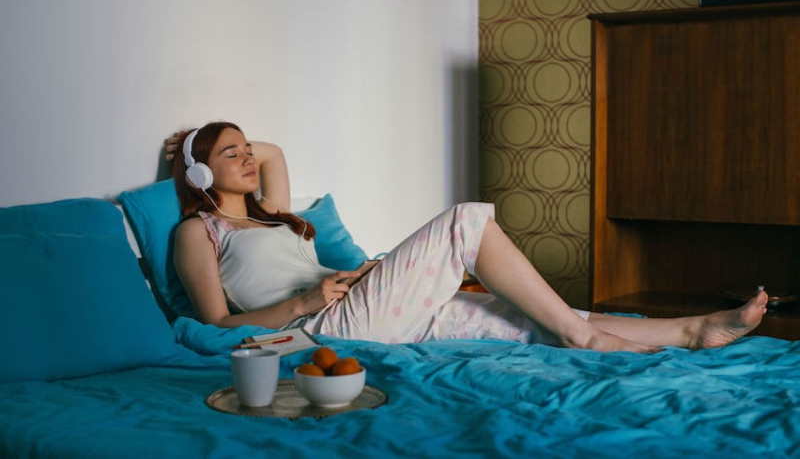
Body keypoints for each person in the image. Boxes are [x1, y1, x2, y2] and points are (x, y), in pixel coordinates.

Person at [166, 121, 769, 353]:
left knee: (520, 319)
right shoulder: (199, 232)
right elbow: (216, 323)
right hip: (321, 325)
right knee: (464, 220)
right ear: (200, 175)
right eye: (230, 154)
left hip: (360, 301)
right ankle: (584, 336)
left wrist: (216, 145)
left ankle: (690, 332)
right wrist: (303, 302)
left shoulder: (274, 214)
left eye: (245, 148)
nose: (248, 158)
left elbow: (274, 151)